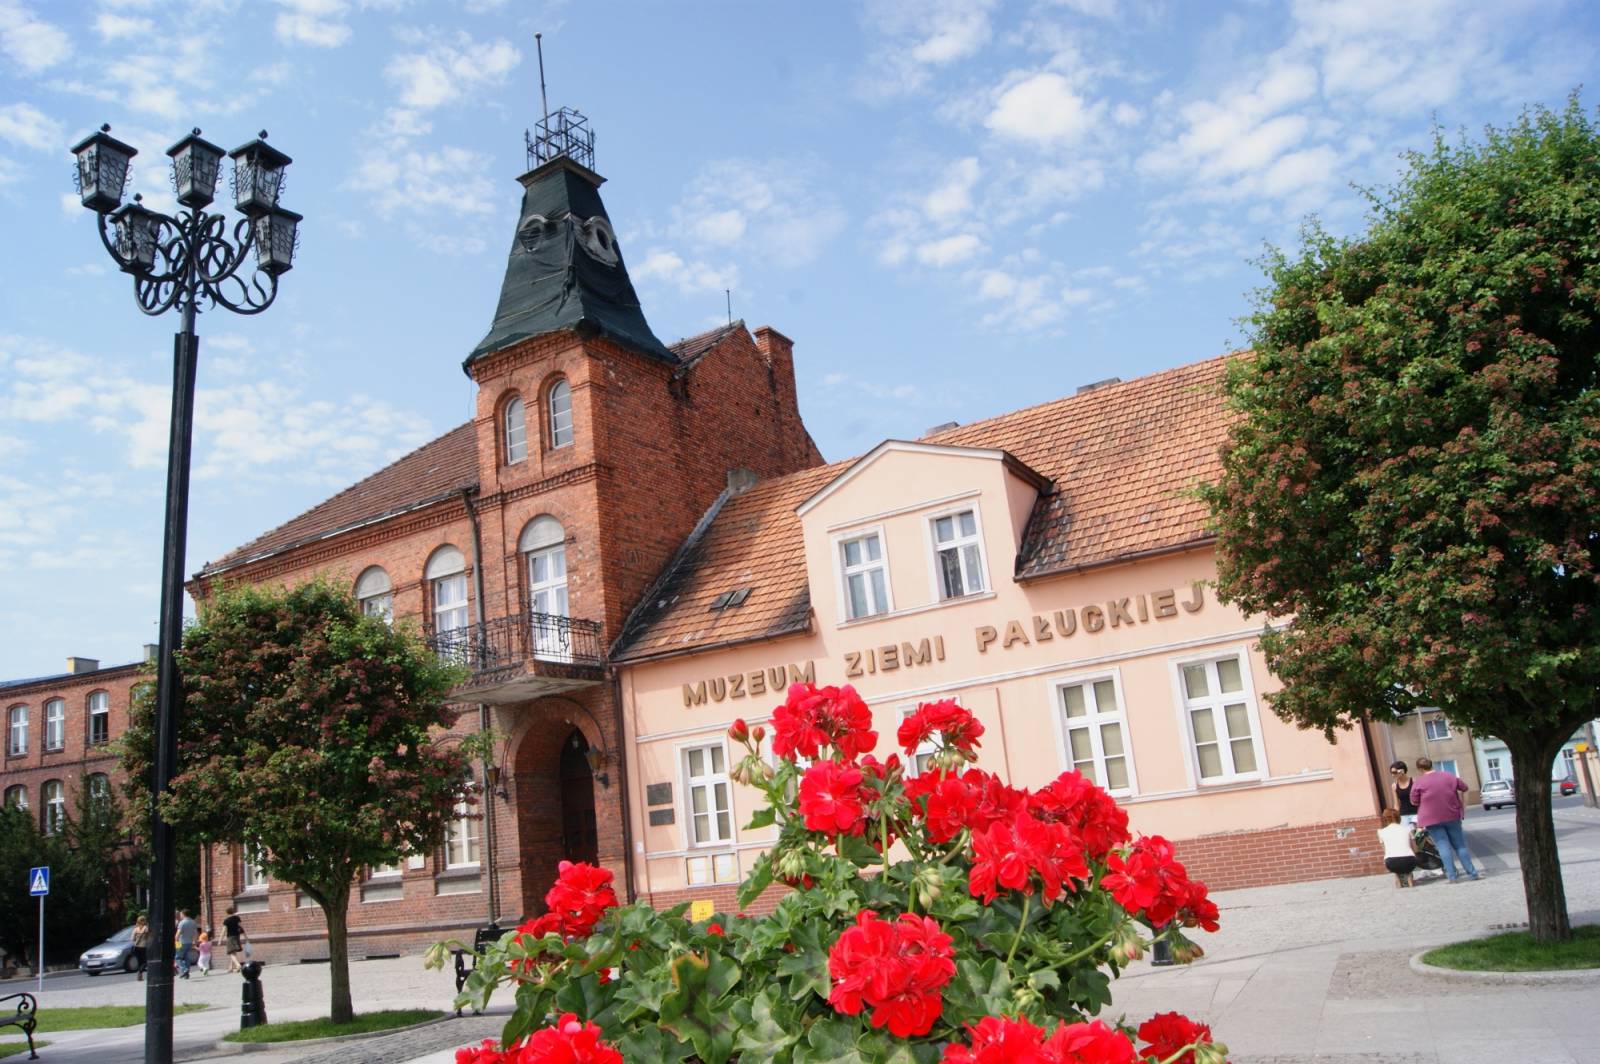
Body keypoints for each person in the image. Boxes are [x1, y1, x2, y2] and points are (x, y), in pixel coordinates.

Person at [1411, 755, 1484, 883]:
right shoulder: (1449, 776)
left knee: (1442, 846)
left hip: (1431, 818)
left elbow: (1414, 801)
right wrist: (1463, 807)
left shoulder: (1419, 782)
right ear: (1431, 765)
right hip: (1452, 814)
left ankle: (1452, 877)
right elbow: (1465, 788)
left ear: (1420, 769)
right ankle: (1473, 873)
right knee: (1460, 846)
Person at [1376, 809, 1418, 887]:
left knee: (1391, 856)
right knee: (1409, 859)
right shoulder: (1408, 829)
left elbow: (1385, 851)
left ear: (1385, 819)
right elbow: (1415, 848)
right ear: (1399, 818)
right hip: (1409, 861)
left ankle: (1397, 878)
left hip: (1391, 863)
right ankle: (1409, 877)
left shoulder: (1381, 832)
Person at [1390, 760, 1419, 826]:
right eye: (1391, 772)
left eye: (1394, 772)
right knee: (1406, 835)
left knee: (1418, 835)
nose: (1392, 775)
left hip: (1416, 813)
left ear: (1402, 771)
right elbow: (1396, 804)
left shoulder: (1414, 781)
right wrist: (1395, 818)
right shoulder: (1394, 786)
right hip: (1403, 816)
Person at [175, 909, 198, 979]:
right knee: (186, 957)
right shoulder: (193, 922)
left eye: (181, 914)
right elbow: (195, 933)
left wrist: (176, 940)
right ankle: (187, 973)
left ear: (183, 914)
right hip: (189, 942)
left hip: (181, 942)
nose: (180, 915)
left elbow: (178, 934)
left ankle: (184, 969)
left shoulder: (182, 923)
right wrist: (194, 941)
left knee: (178, 957)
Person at [223, 906, 247, 974]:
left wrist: (220, 940)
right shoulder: (237, 918)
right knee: (233, 952)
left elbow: (224, 931)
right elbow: (241, 927)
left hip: (230, 937)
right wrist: (245, 937)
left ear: (226, 913)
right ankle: (231, 968)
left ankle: (238, 965)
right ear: (233, 911)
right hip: (237, 936)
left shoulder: (226, 920)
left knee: (231, 952)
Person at [131, 915, 150, 982]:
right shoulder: (146, 928)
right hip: (143, 946)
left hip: (136, 947)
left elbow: (132, 939)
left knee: (139, 962)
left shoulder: (135, 929)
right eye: (144, 920)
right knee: (144, 962)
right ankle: (140, 972)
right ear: (143, 921)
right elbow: (149, 937)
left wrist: (137, 938)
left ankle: (140, 976)